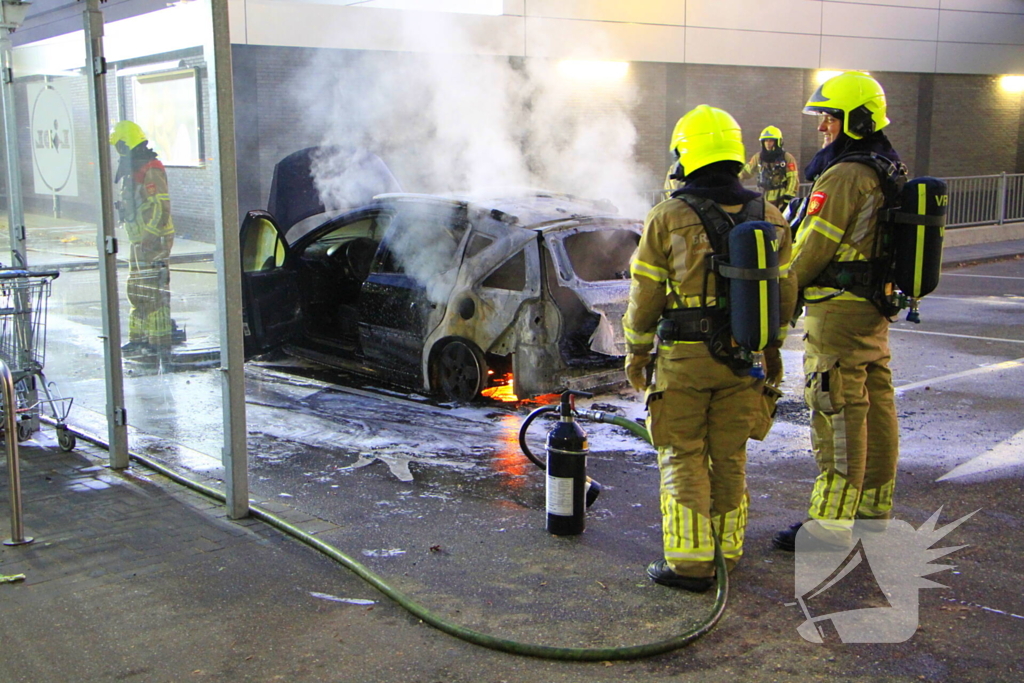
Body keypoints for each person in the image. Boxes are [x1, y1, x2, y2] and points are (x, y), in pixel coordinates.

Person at [623, 105, 797, 591]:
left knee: (682, 453)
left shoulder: (668, 217)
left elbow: (645, 299)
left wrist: (637, 354)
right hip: (746, 359)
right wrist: (772, 352)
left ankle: (691, 564)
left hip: (685, 359)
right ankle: (727, 552)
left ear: (687, 154)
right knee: (730, 454)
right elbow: (786, 294)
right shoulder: (772, 215)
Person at [773, 71, 905, 552]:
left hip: (838, 312)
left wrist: (778, 302)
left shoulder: (846, 174)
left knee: (837, 410)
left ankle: (828, 526)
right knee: (875, 407)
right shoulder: (886, 167)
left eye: (829, 117)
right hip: (870, 309)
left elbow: (809, 252)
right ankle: (873, 512)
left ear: (855, 120)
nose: (822, 127)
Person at [109, 121, 176, 359]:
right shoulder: (134, 169)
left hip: (153, 240)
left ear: (127, 144)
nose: (118, 151)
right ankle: (139, 339)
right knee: (138, 289)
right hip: (139, 240)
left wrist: (150, 235)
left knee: (154, 290)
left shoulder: (151, 169)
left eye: (119, 145)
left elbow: (161, 206)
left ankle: (159, 341)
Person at [740, 126, 799, 210]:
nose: (768, 143)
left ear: (777, 142)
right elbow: (746, 172)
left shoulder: (786, 158)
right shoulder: (758, 157)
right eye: (766, 141)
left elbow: (793, 179)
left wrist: (787, 199)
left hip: (780, 199)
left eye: (771, 140)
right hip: (763, 198)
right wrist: (734, 178)